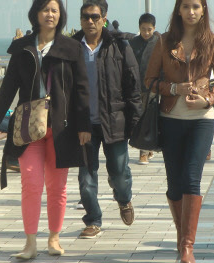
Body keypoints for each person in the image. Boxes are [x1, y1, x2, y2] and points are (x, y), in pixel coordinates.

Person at [0, 0, 91, 260]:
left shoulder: (71, 47)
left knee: (57, 186)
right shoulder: (23, 48)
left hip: (61, 128)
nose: (50, 14)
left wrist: (84, 126)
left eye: (54, 10)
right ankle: (30, 243)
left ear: (60, 15)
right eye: (45, 10)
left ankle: (54, 237)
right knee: (31, 183)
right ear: (36, 14)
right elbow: (8, 88)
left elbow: (82, 90)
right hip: (29, 127)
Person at [144, 0, 214, 263]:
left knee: (192, 179)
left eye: (196, 6)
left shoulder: (212, 41)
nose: (191, 12)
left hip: (201, 120)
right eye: (186, 7)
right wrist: (173, 89)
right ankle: (183, 237)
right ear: (178, 11)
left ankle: (187, 247)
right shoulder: (164, 41)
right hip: (170, 119)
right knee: (174, 185)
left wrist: (207, 100)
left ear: (203, 9)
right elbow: (149, 81)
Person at [72, 0, 142, 239]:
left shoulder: (119, 46)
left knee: (120, 173)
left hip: (115, 122)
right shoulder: (73, 48)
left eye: (94, 16)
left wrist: (136, 122)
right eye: (85, 17)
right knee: (86, 177)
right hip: (84, 125)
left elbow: (133, 86)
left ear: (104, 18)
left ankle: (124, 200)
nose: (89, 21)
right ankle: (93, 220)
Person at [130, 13, 159, 165]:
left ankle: (147, 150)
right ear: (139, 28)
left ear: (154, 28)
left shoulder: (159, 43)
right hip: (137, 87)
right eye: (143, 29)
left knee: (150, 118)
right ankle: (145, 150)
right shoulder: (133, 43)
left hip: (153, 87)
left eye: (149, 29)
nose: (146, 33)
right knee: (140, 118)